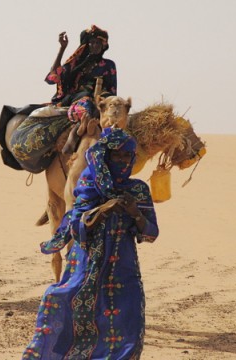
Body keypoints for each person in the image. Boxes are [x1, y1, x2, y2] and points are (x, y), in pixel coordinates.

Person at [22, 128, 159, 359]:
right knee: (66, 311)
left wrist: (135, 213)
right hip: (87, 267)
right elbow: (76, 227)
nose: (123, 162)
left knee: (130, 330)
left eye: (128, 157)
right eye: (118, 156)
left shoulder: (138, 190)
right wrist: (102, 211)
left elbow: (151, 234)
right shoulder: (88, 185)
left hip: (123, 271)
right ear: (106, 157)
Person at [45, 25, 117, 154]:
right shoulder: (78, 63)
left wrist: (102, 99)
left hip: (101, 101)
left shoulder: (108, 65)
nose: (94, 45)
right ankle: (77, 132)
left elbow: (112, 90)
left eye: (97, 43)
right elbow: (54, 77)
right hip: (78, 98)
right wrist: (62, 48)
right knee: (87, 104)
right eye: (92, 43)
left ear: (103, 46)